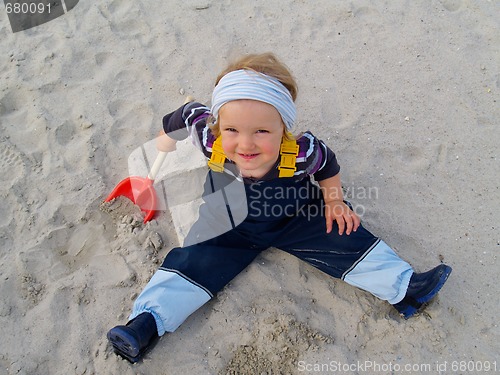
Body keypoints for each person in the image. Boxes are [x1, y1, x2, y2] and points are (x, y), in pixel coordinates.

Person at [107, 53, 452, 363]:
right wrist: (164, 143)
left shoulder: (301, 151)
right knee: (194, 262)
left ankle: (406, 288)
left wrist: (333, 200)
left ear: (283, 128)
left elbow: (327, 166)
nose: (245, 143)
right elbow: (181, 116)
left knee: (345, 235)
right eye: (232, 130)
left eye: (261, 131)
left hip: (296, 217)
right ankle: (146, 324)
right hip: (227, 224)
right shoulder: (207, 133)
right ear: (217, 124)